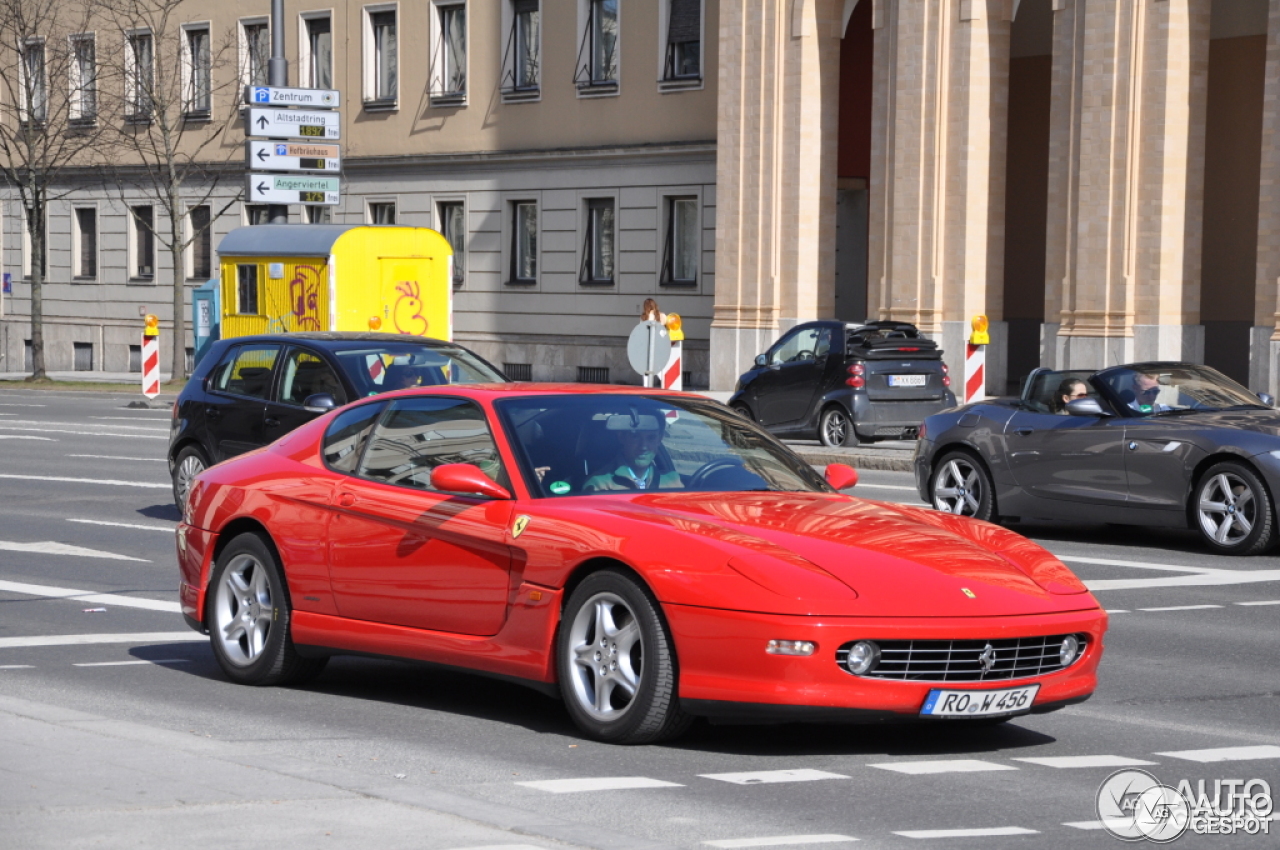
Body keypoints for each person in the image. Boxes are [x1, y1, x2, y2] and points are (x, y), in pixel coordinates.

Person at [582, 413, 682, 492]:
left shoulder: (672, 481)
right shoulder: (600, 484)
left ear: (659, 439)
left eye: (651, 438)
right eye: (635, 437)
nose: (643, 446)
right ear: (621, 437)